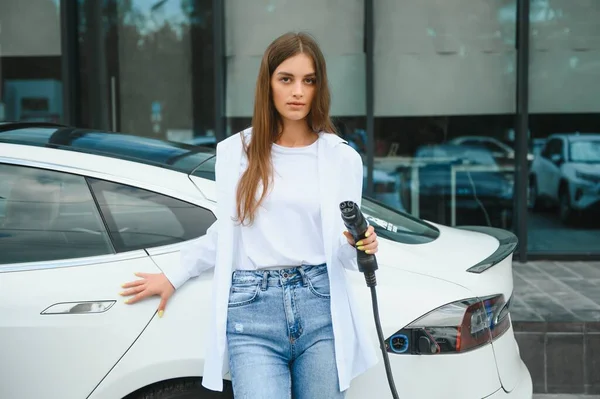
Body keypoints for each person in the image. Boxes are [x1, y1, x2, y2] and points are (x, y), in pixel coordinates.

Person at [120, 31, 380, 399]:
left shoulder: (341, 157)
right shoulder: (236, 153)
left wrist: (360, 244)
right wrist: (174, 275)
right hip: (252, 310)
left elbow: (342, 249)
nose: (297, 92)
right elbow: (225, 233)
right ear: (268, 84)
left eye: (309, 81)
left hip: (320, 304)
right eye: (286, 79)